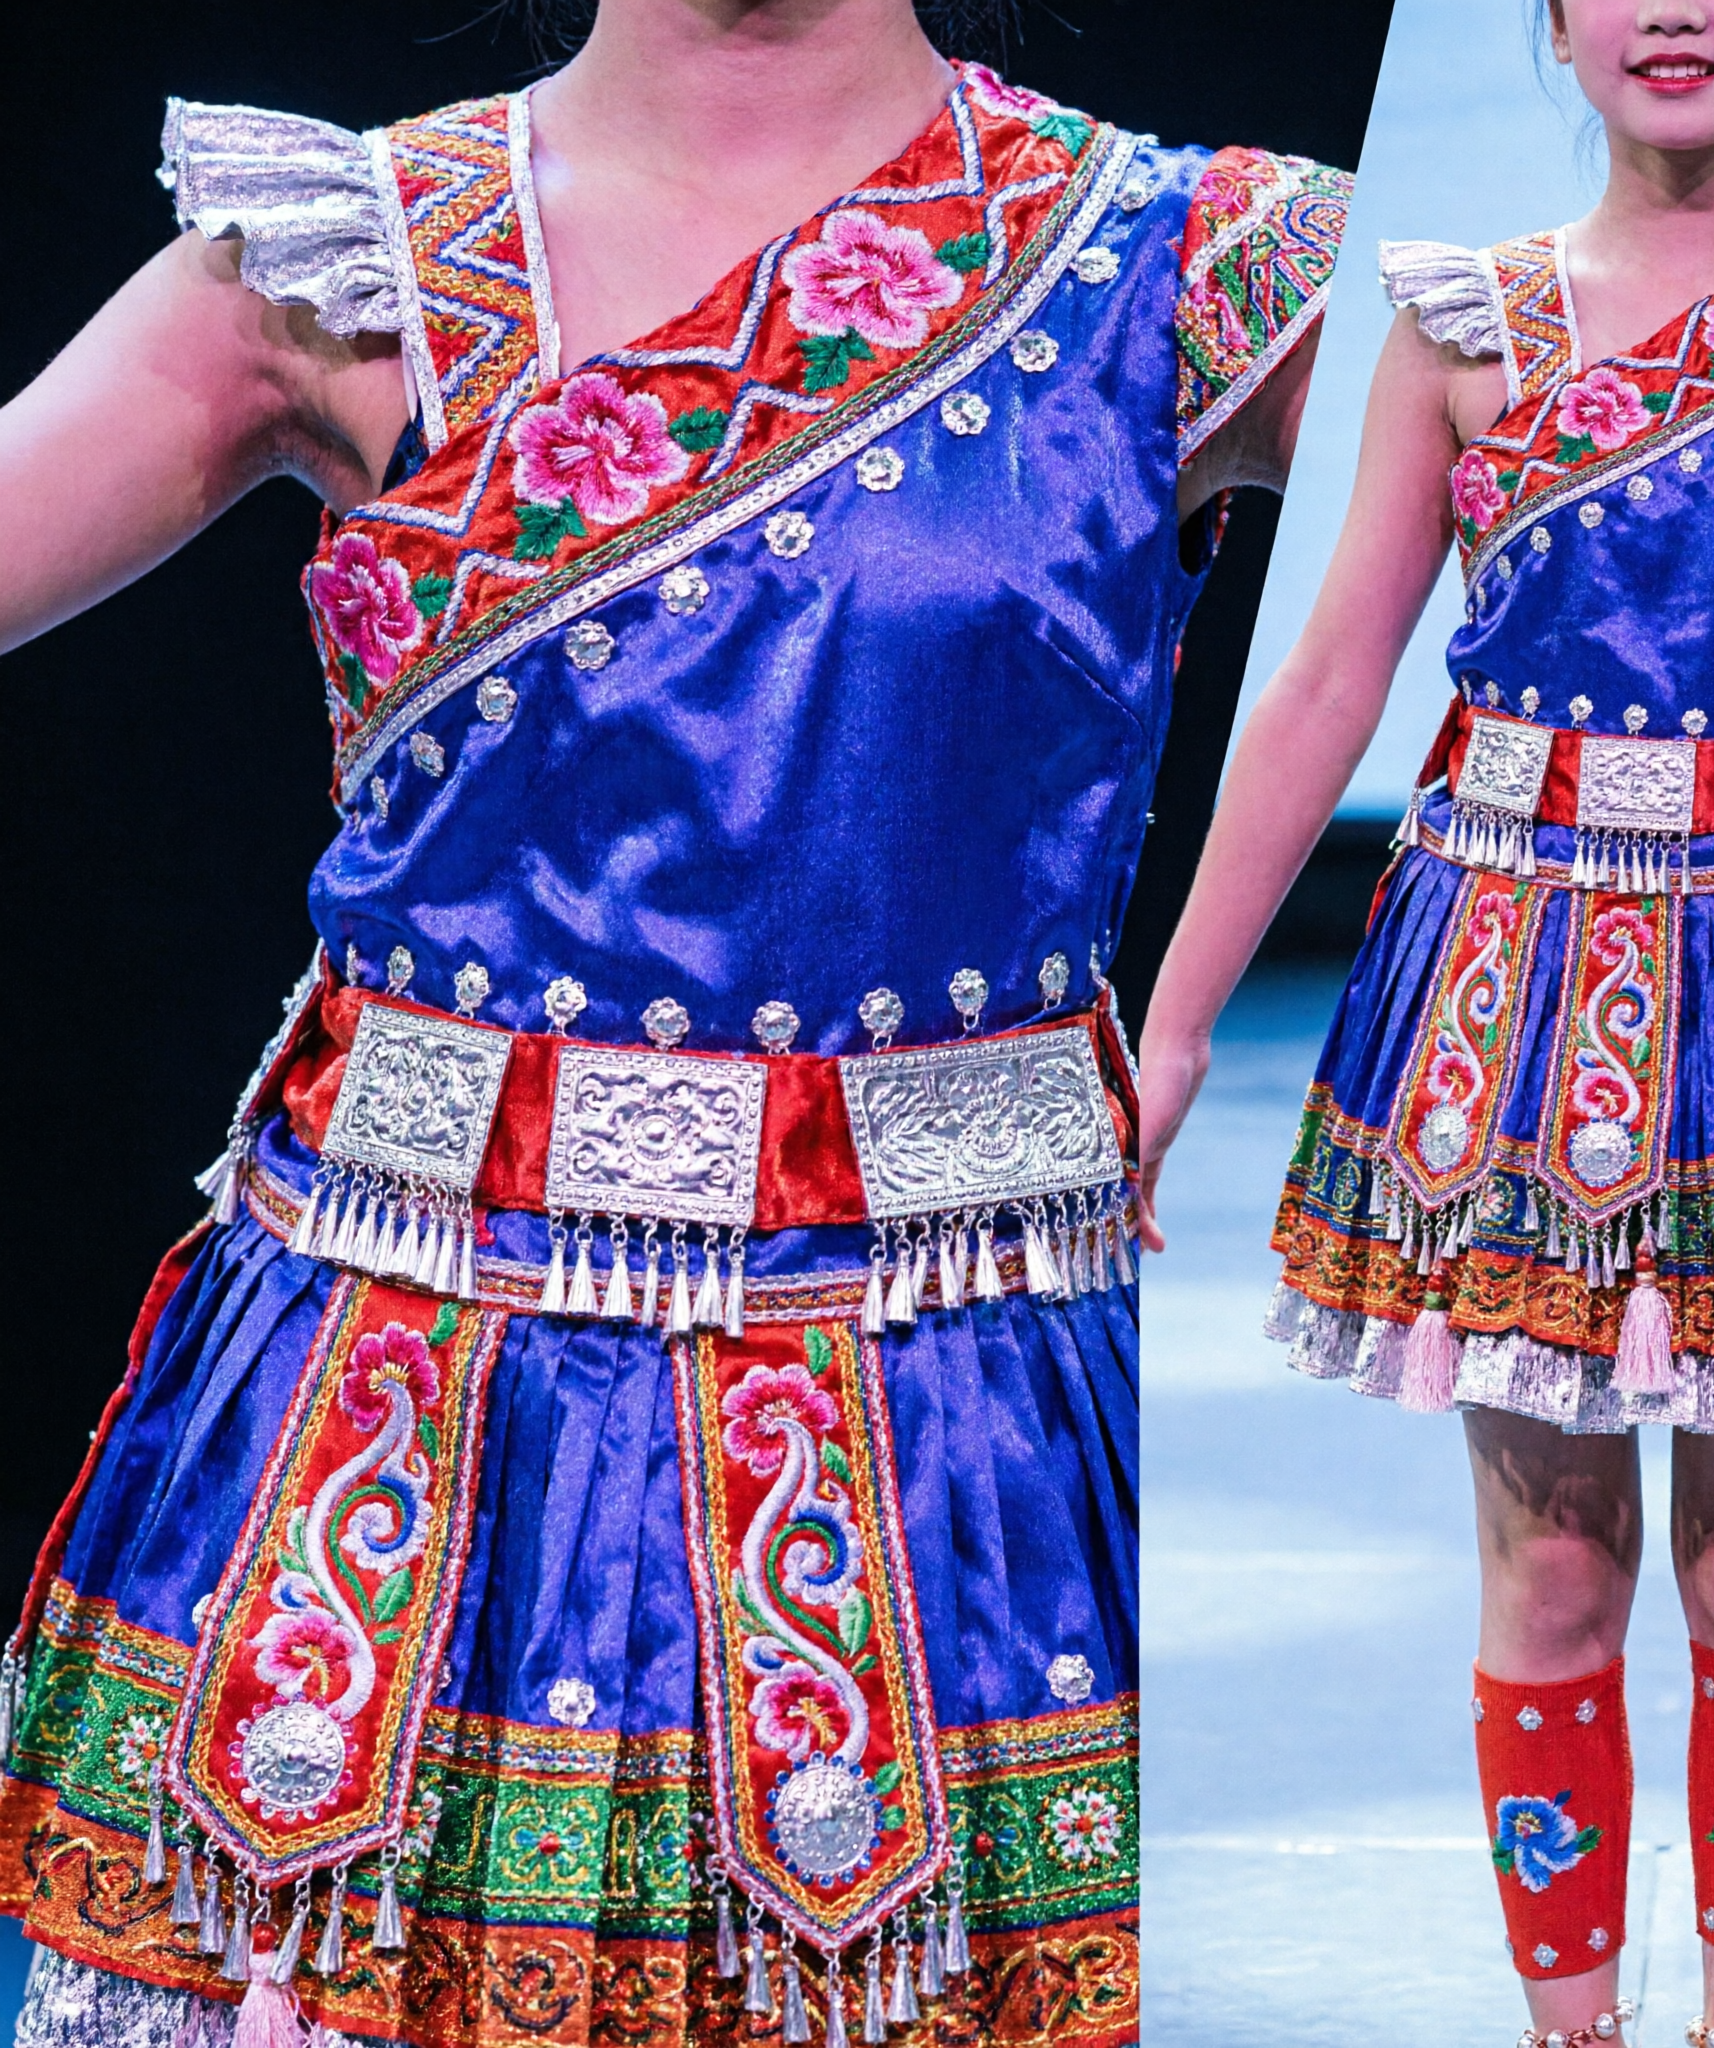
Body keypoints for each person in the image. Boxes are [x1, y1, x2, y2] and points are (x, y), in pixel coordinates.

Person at [0, 3, 1349, 2043]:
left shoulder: (1182, 259)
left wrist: (1193, 1015)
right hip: (408, 1402)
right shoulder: (349, 260)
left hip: (954, 1414)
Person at [1138, 3, 1714, 2045]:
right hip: (1516, 1002)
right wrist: (1173, 1025)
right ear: (1550, 23)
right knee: (1551, 1571)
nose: (1673, 11)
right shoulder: (1463, 330)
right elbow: (1325, 682)